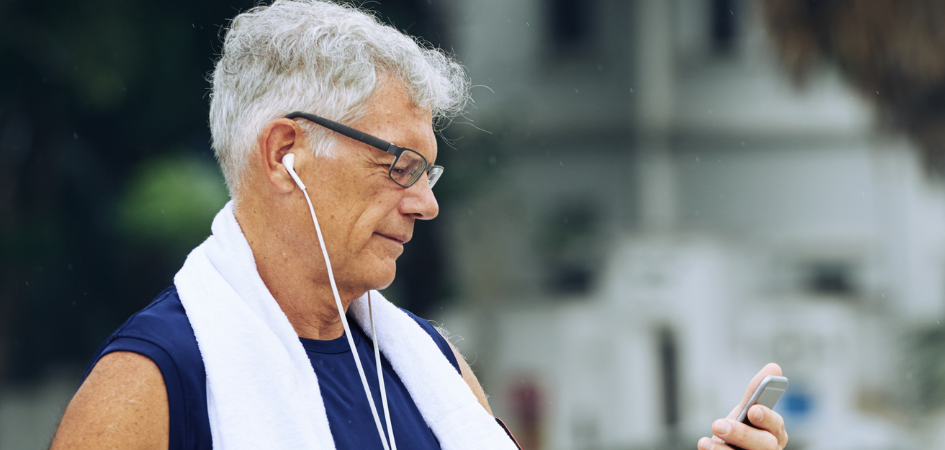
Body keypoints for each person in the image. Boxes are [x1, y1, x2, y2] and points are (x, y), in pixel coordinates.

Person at [49, 2, 790, 450]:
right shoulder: (150, 385)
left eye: (427, 173)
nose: (425, 204)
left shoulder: (430, 361)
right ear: (283, 155)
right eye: (399, 166)